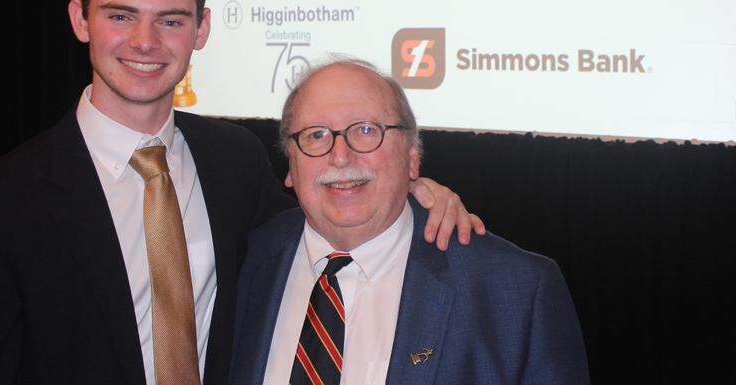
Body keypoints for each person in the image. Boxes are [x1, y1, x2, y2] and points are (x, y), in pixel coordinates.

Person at [0, 0, 483, 385]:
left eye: (171, 20)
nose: (145, 42)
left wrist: (412, 192)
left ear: (201, 29)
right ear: (79, 19)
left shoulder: (233, 161)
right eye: (121, 16)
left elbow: (321, 230)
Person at [228, 59, 590, 385]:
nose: (340, 156)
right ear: (289, 164)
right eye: (316, 135)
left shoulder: (515, 292)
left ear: (413, 158)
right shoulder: (245, 259)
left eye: (367, 131)